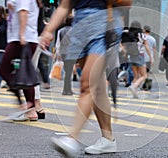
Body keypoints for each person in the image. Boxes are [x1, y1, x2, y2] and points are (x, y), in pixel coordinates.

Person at [40, 0, 131, 156]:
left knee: (87, 84)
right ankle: (108, 139)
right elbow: (64, 6)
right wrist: (48, 30)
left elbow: (127, 2)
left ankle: (72, 138)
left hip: (104, 23)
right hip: (80, 25)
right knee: (98, 86)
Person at [0, 0, 40, 121]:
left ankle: (27, 105)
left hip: (21, 39)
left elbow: (23, 12)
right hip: (23, 38)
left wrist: (22, 35)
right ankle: (30, 108)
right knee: (23, 73)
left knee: (4, 70)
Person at [126, 21, 153, 98]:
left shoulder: (129, 35)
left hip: (131, 56)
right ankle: (133, 87)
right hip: (140, 56)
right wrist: (151, 57)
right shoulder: (142, 35)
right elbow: (147, 47)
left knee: (136, 76)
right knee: (144, 75)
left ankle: (134, 93)